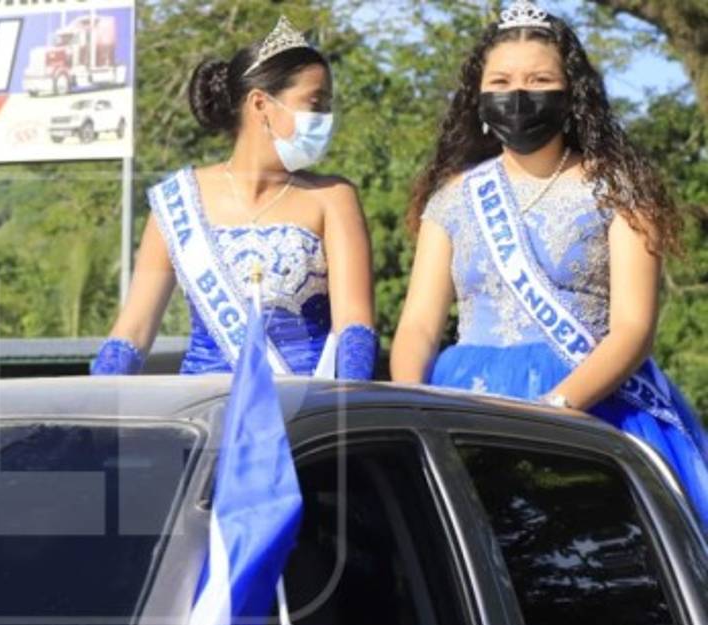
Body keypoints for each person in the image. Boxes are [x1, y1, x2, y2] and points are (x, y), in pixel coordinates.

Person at [391, 0, 708, 529]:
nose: (518, 95)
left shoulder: (620, 190)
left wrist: (554, 411)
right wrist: (409, 406)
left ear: (572, 94)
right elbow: (420, 324)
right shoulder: (452, 197)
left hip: (592, 403)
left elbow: (633, 327)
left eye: (539, 79)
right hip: (463, 399)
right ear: (479, 96)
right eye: (501, 80)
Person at [90, 16, 377, 379]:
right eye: (314, 103)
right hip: (205, 412)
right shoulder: (179, 199)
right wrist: (89, 422)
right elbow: (133, 331)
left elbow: (355, 328)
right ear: (261, 104)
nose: (325, 118)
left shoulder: (333, 198)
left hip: (303, 414)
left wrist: (347, 416)